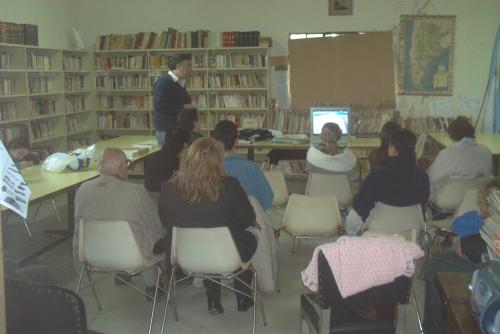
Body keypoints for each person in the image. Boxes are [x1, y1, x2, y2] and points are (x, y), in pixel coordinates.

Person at [159, 137, 257, 314]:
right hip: (226, 254)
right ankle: (243, 296)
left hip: (184, 255)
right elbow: (248, 219)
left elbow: (165, 221)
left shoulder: (168, 188)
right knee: (244, 237)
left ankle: (213, 300)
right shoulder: (230, 185)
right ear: (218, 161)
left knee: (213, 243)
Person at [73, 148, 163, 296]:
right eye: (127, 164)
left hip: (92, 256)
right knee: (150, 234)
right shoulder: (136, 191)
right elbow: (155, 225)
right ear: (121, 167)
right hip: (133, 256)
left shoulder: (83, 189)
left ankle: (122, 272)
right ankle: (152, 285)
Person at [423, 178, 500, 334]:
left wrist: (464, 246)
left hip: (486, 266)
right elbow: (458, 226)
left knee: (435, 264)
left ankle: (433, 329)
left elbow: (462, 232)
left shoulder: (482, 221)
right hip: (484, 260)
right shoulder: (479, 219)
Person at [345, 128, 430, 235]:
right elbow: (424, 201)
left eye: (389, 146)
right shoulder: (423, 176)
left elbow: (360, 207)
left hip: (378, 230)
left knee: (351, 218)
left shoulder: (377, 176)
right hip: (411, 231)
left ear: (393, 150)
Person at [213, 120, 274, 210]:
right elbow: (267, 200)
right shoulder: (252, 168)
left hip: (215, 220)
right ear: (237, 141)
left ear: (214, 141)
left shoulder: (205, 167)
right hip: (247, 220)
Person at [427, 116, 492, 194]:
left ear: (451, 135)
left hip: (448, 201)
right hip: (476, 199)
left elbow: (429, 179)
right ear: (472, 133)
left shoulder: (448, 153)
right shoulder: (485, 151)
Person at [153, 53, 193, 146]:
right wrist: (182, 107)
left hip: (176, 130)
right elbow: (158, 106)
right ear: (179, 66)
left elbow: (185, 102)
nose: (191, 69)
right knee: (170, 157)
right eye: (188, 65)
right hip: (167, 131)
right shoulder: (164, 82)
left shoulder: (179, 82)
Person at [143, 128, 190, 199]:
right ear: (185, 144)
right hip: (161, 196)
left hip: (147, 194)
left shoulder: (156, 154)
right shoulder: (176, 160)